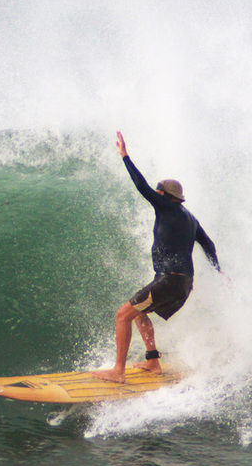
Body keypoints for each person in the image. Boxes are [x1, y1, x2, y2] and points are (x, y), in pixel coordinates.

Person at [92, 131, 220, 383]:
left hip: (170, 279)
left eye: (158, 191)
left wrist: (125, 156)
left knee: (122, 315)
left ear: (163, 195)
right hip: (182, 282)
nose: (156, 193)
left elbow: (141, 186)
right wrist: (219, 272)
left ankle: (118, 372)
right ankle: (152, 362)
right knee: (140, 312)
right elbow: (209, 245)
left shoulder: (166, 206)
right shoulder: (190, 218)